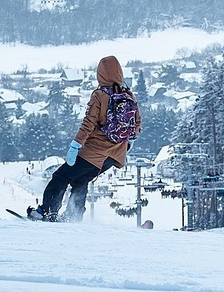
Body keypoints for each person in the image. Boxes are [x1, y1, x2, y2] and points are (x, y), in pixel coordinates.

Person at [30, 55, 141, 220]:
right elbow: (136, 126)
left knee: (60, 177)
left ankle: (46, 212)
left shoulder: (100, 95)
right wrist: (126, 145)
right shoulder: (128, 95)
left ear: (101, 74)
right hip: (114, 156)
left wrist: (75, 145)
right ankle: (73, 216)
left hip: (94, 152)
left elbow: (88, 123)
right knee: (80, 181)